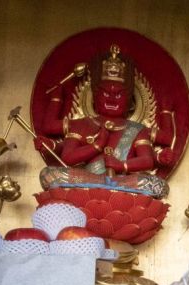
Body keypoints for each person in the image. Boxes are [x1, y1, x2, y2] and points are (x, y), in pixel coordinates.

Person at [34, 44, 175, 198]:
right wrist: (96, 145)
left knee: (158, 185)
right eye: (105, 93)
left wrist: (121, 165)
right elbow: (67, 157)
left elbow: (147, 160)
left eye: (119, 95)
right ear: (94, 96)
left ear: (129, 100)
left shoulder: (137, 129)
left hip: (122, 182)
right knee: (49, 175)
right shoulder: (83, 124)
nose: (112, 98)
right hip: (88, 179)